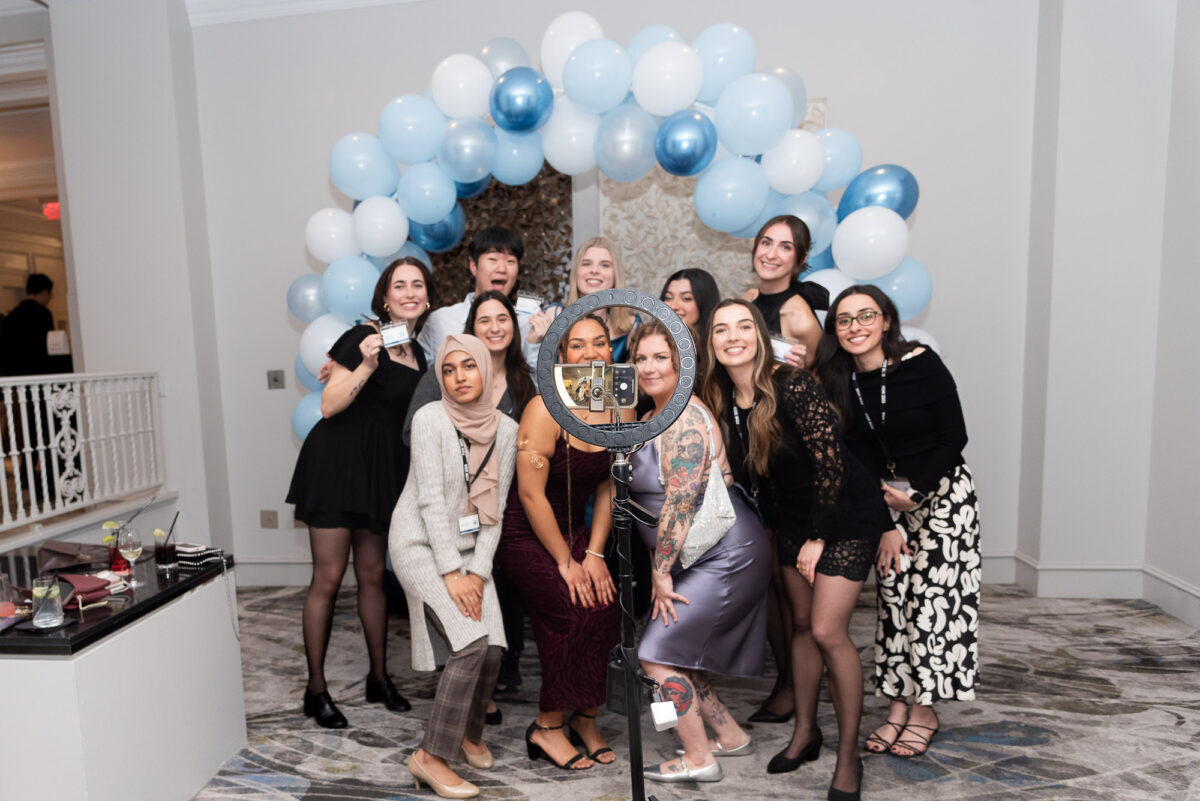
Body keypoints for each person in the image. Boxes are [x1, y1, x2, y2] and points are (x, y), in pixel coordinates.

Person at [703, 299, 890, 800]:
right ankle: (806, 732)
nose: (733, 336)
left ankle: (848, 757)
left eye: (744, 326)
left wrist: (817, 537)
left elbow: (831, 465)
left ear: (761, 338)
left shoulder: (794, 384)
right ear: (712, 343)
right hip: (790, 522)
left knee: (828, 631)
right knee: (801, 627)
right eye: (722, 329)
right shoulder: (722, 397)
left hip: (842, 518)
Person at [814, 285, 980, 760]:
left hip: (944, 496)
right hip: (886, 504)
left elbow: (955, 436)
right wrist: (885, 520)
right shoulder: (840, 381)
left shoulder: (921, 363)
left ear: (886, 320)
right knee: (895, 605)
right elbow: (855, 460)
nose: (855, 327)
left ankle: (925, 710)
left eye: (866, 315)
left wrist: (917, 492)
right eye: (844, 320)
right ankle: (897, 704)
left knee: (935, 606)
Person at [285, 257, 432, 728]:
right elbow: (328, 405)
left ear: (427, 297)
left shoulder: (419, 351)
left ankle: (378, 677)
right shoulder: (360, 337)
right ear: (384, 297)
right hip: (336, 465)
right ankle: (316, 690)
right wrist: (366, 363)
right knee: (327, 578)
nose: (409, 292)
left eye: (417, 285)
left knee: (372, 576)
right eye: (399, 285)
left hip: (379, 472)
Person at [627, 320, 770, 784]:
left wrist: (661, 572)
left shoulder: (685, 418)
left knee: (655, 651)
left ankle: (697, 757)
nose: (648, 368)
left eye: (659, 358)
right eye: (640, 358)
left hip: (726, 555)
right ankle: (728, 736)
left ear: (681, 364)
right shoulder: (651, 417)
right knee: (677, 648)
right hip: (692, 553)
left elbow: (682, 501)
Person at [494, 314, 628, 771]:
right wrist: (565, 562)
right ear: (561, 356)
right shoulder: (542, 408)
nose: (591, 353)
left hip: (575, 532)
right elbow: (530, 495)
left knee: (607, 606)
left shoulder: (618, 405)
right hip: (524, 532)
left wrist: (593, 553)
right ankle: (547, 726)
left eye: (600, 343)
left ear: (611, 351)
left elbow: (611, 486)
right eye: (578, 345)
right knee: (571, 609)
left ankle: (585, 718)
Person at [390, 334, 518, 800]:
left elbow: (496, 510)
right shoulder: (429, 418)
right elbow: (426, 501)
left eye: (469, 366)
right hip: (420, 542)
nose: (460, 377)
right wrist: (451, 572)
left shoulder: (505, 429)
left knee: (494, 647)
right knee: (469, 644)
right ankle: (430, 755)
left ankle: (467, 732)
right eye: (449, 369)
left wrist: (477, 573)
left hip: (468, 551)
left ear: (485, 370)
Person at [403, 290, 536, 710]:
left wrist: (476, 570)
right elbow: (421, 460)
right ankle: (453, 721)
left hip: (490, 521)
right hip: (436, 522)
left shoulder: (520, 385)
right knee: (465, 632)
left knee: (494, 624)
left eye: (503, 319)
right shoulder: (435, 402)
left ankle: (485, 702)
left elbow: (520, 460)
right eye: (484, 319)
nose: (460, 376)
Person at [416, 226, 543, 369]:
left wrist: (536, 343)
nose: (502, 268)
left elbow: (533, 384)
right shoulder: (441, 320)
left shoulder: (527, 322)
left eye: (510, 261)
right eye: (493, 259)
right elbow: (418, 375)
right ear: (473, 266)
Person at [741, 215, 828, 369]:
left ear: (802, 258)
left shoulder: (800, 320)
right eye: (766, 243)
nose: (771, 254)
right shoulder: (748, 299)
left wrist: (801, 373)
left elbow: (821, 381)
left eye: (785, 247)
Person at [554, 237, 639, 361]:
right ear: (576, 272)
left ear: (615, 274)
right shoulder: (554, 315)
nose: (594, 271)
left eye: (604, 265)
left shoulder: (632, 325)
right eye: (586, 264)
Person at [0, 273, 57, 377]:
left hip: (14, 374)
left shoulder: (12, 315)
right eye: (50, 294)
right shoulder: (44, 314)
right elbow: (50, 345)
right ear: (44, 292)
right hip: (38, 372)